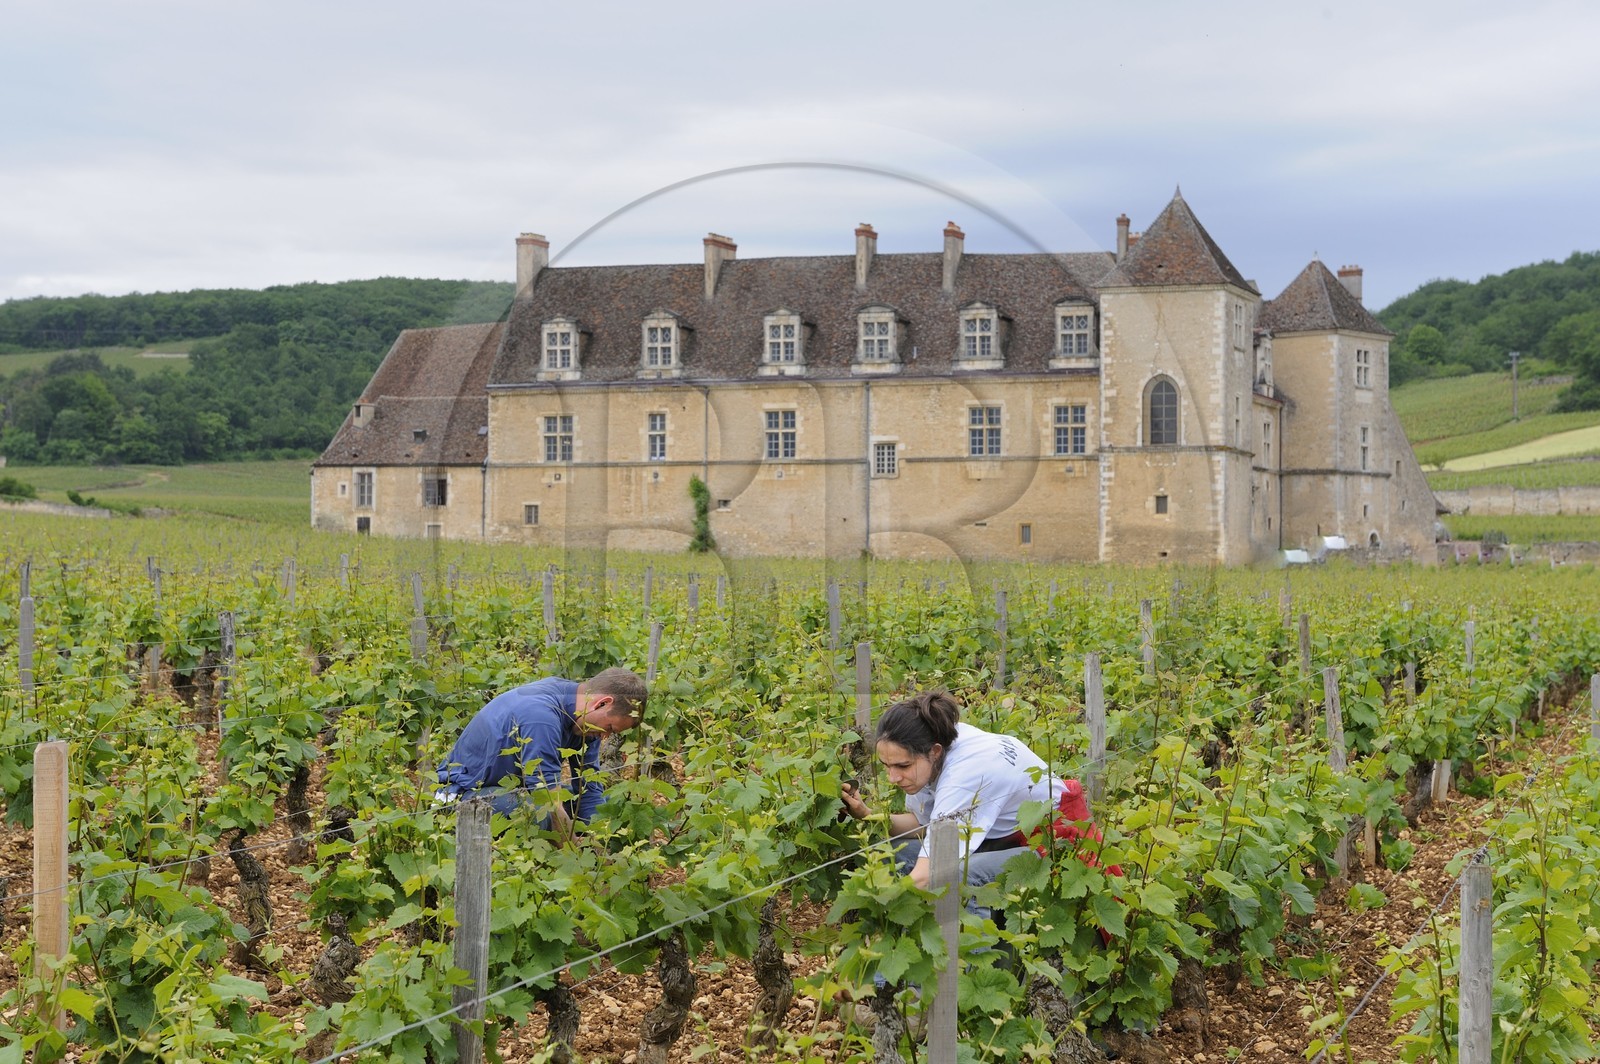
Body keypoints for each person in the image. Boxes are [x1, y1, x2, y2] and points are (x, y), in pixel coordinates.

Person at [839, 690, 1095, 891]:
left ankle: (972, 943)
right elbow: (923, 824)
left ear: (935, 752)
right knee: (890, 851)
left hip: (1053, 844)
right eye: (886, 765)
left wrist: (883, 902)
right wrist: (866, 814)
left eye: (902, 766)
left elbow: (931, 870)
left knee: (956, 877)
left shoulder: (966, 775)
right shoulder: (935, 744)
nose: (893, 777)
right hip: (1003, 837)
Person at [436, 667, 648, 825]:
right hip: (464, 795)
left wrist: (597, 843)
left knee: (611, 805)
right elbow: (547, 797)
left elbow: (589, 790)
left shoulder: (586, 724)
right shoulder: (542, 716)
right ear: (602, 703)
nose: (605, 737)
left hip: (515, 790)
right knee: (542, 813)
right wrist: (575, 856)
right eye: (609, 728)